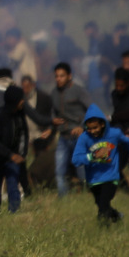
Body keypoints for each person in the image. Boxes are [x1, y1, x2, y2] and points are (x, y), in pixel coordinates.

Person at [70, 105, 129, 223]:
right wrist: (92, 156)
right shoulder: (84, 138)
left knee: (103, 208)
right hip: (93, 179)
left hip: (110, 176)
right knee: (101, 205)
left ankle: (103, 231)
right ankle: (117, 216)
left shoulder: (114, 133)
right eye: (89, 129)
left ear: (102, 124)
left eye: (95, 128)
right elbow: (76, 160)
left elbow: (128, 143)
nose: (92, 131)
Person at [0, 86, 29, 214]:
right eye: (21, 99)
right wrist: (10, 155)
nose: (23, 101)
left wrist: (21, 154)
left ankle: (14, 214)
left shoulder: (19, 117)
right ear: (14, 100)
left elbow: (23, 136)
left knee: (13, 188)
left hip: (12, 161)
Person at [49, 62, 91, 197]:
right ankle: (64, 199)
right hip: (63, 136)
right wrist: (53, 122)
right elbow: (53, 113)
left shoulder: (79, 90)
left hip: (79, 137)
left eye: (61, 76)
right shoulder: (54, 93)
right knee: (59, 171)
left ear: (69, 76)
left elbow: (92, 110)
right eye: (56, 76)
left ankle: (86, 196)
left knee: (82, 171)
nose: (58, 79)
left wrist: (82, 126)